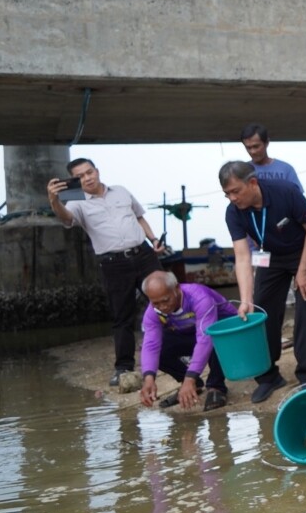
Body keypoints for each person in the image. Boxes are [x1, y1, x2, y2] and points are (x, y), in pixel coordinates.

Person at [47, 158, 164, 387]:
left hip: (144, 254)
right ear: (74, 181)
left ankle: (181, 351)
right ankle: (123, 368)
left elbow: (138, 216)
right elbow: (66, 219)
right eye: (80, 176)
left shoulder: (120, 191)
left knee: (167, 300)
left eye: (89, 172)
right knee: (122, 316)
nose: (87, 178)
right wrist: (54, 200)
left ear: (97, 171)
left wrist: (153, 239)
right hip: (113, 263)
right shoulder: (75, 201)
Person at [220, 160, 306, 403]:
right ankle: (268, 376)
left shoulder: (285, 191)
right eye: (227, 193)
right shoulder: (233, 212)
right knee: (260, 310)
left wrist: (303, 270)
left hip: (305, 251)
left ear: (253, 183)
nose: (232, 198)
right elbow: (242, 255)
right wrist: (245, 300)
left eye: (236, 191)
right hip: (270, 257)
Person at [137, 271, 234, 411]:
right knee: (160, 347)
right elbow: (151, 345)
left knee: (213, 336)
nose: (162, 307)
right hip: (190, 332)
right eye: (156, 303)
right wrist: (148, 378)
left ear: (176, 289)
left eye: (166, 300)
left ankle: (216, 387)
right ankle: (191, 384)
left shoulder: (199, 298)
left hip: (225, 332)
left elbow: (205, 339)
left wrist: (191, 376)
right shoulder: (153, 312)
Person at [240, 123, 303, 193]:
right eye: (248, 148)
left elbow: (297, 196)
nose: (253, 152)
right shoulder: (241, 171)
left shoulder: (285, 169)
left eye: (256, 146)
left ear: (267, 143)